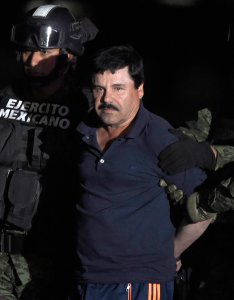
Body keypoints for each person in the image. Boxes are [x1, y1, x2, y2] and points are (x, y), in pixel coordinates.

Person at [67, 43, 212, 300]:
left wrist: (171, 253)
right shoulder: (84, 130)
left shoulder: (157, 137)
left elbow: (205, 208)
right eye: (99, 88)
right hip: (87, 278)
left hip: (138, 282)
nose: (107, 99)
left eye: (118, 89)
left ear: (140, 89)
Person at [0, 4, 98, 300]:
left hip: (51, 262)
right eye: (27, 51)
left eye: (43, 52)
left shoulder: (88, 108)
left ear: (67, 56)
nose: (31, 60)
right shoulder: (5, 98)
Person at [158, 99, 234, 299]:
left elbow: (207, 206)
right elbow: (203, 123)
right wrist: (180, 141)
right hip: (198, 233)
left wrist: (212, 155)